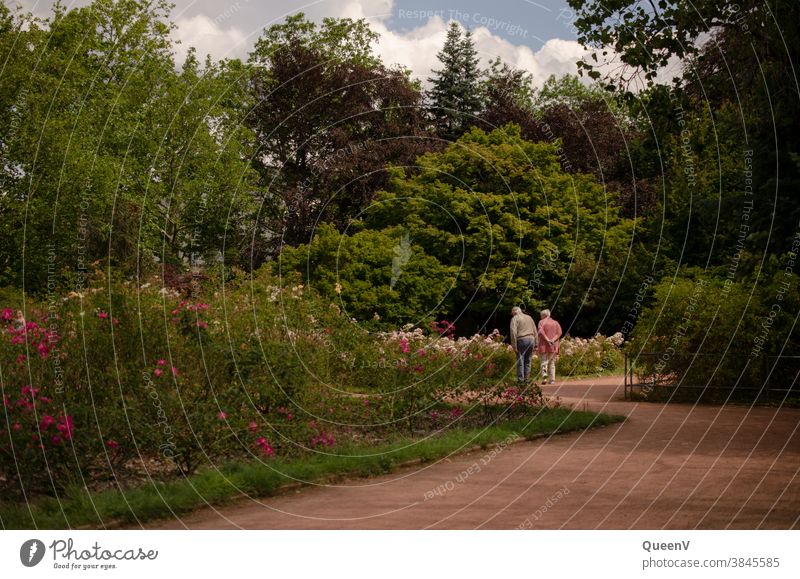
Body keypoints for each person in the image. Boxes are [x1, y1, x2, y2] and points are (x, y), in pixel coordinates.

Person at [510, 306, 537, 384]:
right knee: (528, 360)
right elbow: (535, 330)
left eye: (512, 313)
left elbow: (513, 332)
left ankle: (521, 379)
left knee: (520, 360)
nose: (512, 315)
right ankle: (527, 379)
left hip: (521, 339)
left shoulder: (515, 319)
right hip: (531, 339)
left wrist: (514, 345)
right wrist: (536, 343)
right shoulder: (529, 317)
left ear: (514, 312)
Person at [537, 309, 562, 384]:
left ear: (543, 315)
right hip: (553, 345)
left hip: (543, 345)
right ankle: (552, 380)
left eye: (541, 315)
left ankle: (544, 378)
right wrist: (552, 340)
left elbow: (541, 332)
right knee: (552, 362)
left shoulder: (541, 322)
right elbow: (559, 333)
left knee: (544, 362)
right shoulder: (555, 322)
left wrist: (547, 339)